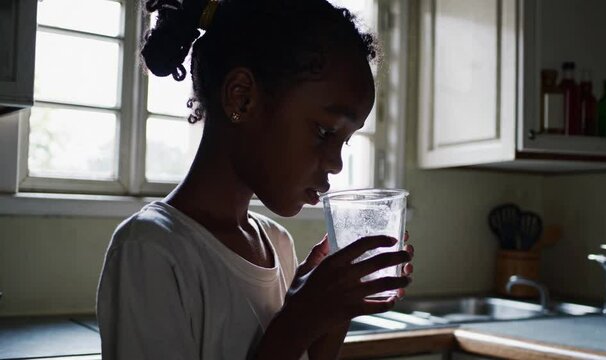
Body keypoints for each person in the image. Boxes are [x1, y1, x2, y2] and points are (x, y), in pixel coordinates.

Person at [96, 0, 414, 359]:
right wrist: (299, 323)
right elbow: (286, 340)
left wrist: (331, 314)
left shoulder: (277, 244)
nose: (337, 164)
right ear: (242, 98)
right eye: (325, 131)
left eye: (346, 140)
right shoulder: (152, 249)